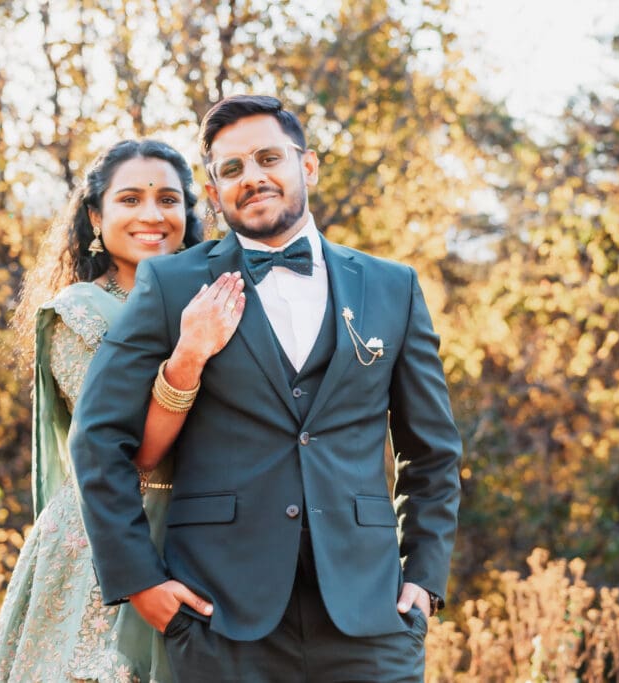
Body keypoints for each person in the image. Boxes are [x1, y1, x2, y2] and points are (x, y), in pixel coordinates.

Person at [69, 94, 463, 682]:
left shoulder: (392, 287)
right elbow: (97, 438)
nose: (252, 177)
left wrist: (425, 578)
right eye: (232, 168)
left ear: (308, 166)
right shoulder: (170, 284)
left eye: (268, 158)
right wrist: (141, 581)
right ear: (215, 190)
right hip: (219, 616)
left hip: (371, 615)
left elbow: (431, 451)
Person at [0, 139, 245, 683]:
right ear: (96, 217)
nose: (152, 215)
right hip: (112, 539)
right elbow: (133, 451)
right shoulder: (79, 314)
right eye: (130, 199)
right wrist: (189, 356)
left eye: (168, 199)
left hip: (209, 528)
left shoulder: (217, 300)